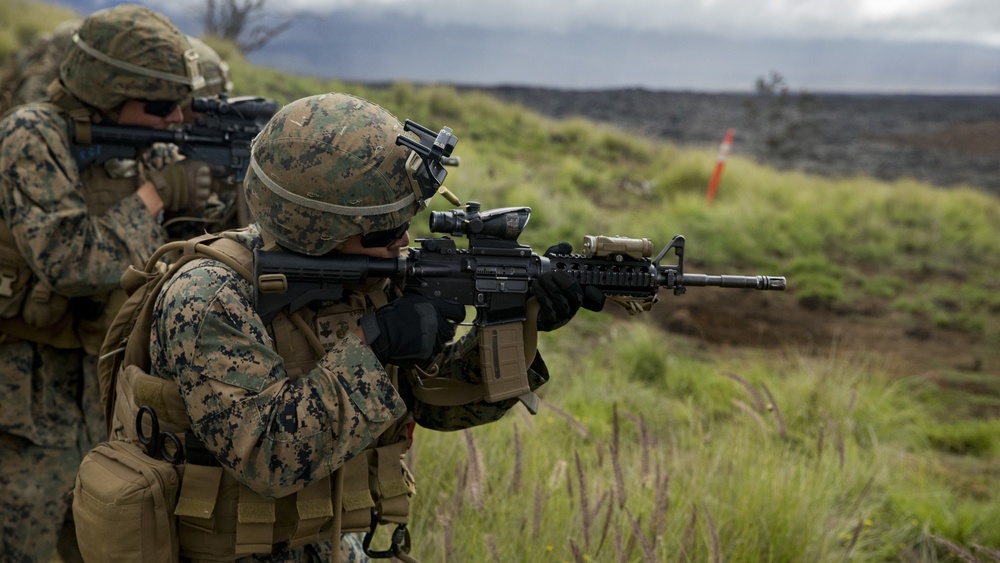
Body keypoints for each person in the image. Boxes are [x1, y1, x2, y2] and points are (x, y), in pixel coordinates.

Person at [103, 92, 591, 562]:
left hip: (331, 541)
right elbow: (268, 457)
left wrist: (512, 328)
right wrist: (374, 345)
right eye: (382, 232)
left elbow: (435, 408)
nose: (402, 242)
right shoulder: (210, 298)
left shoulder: (371, 274)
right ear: (316, 231)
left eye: (405, 223)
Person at [0, 5, 209, 562]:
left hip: (111, 395)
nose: (175, 119)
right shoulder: (30, 135)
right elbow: (69, 260)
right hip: (27, 400)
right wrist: (158, 195)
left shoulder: (148, 148)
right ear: (103, 91)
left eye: (181, 105)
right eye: (160, 106)